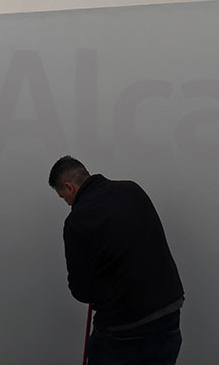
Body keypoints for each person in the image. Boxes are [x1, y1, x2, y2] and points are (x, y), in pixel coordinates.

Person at [48, 156, 184, 365]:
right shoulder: (132, 190)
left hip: (123, 329)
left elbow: (81, 290)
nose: (66, 203)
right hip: (168, 314)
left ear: (69, 187)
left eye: (63, 196)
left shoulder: (77, 221)